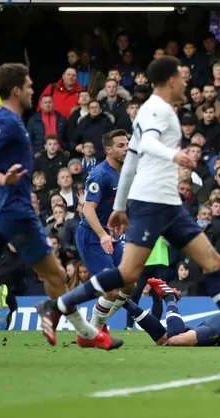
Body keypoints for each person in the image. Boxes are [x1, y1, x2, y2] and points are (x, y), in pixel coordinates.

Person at [47, 57, 220, 359]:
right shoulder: (159, 110)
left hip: (165, 202)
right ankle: (58, 306)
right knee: (128, 274)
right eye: (182, 78)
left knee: (210, 262)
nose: (186, 82)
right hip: (153, 203)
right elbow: (151, 146)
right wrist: (175, 155)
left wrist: (117, 206)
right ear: (171, 80)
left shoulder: (148, 111)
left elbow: (130, 160)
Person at [0, 64, 117, 349]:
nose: (32, 91)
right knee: (55, 276)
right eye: (28, 86)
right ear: (16, 90)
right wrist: (2, 179)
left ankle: (83, 332)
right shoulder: (9, 122)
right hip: (14, 209)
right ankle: (87, 335)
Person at [73, 130, 138, 335]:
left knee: (130, 283)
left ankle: (96, 323)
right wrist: (102, 235)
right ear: (108, 150)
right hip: (92, 236)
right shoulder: (100, 174)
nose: (126, 148)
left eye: (127, 144)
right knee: (111, 289)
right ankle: (94, 330)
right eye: (121, 145)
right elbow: (88, 209)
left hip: (111, 234)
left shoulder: (126, 170)